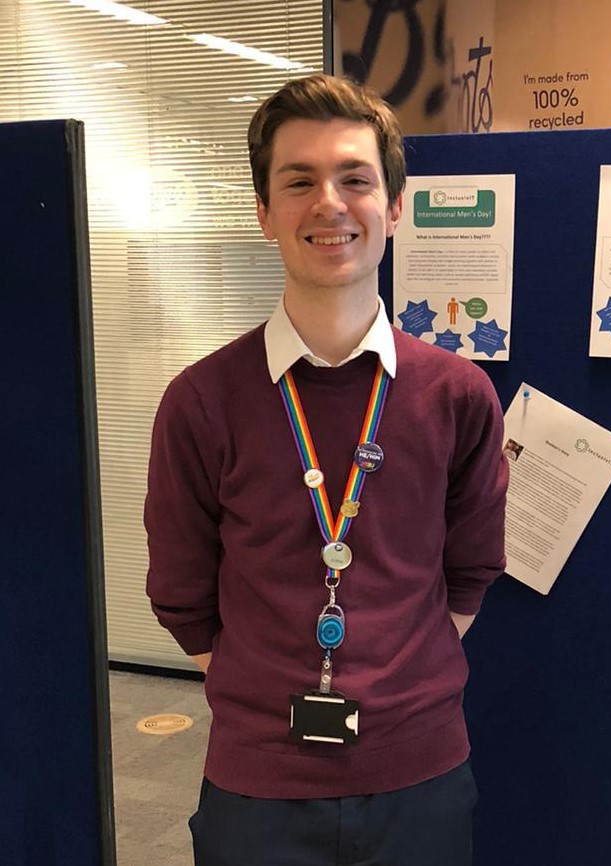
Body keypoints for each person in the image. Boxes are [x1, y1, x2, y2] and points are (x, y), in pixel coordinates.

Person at [145, 73, 508, 866]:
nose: (330, 204)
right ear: (263, 212)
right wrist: (258, 685)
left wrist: (398, 681)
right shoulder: (201, 400)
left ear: (396, 206)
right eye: (299, 181)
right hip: (258, 787)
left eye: (355, 179)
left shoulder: (458, 396)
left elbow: (472, 570)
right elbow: (180, 592)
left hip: (421, 774)